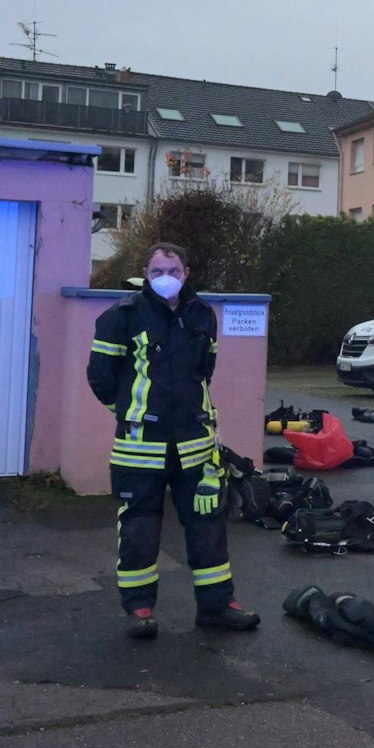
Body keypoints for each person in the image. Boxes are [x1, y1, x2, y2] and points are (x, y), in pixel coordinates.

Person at [88, 242, 259, 637]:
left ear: (186, 272)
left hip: (194, 446)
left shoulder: (202, 315)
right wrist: (131, 411)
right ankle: (140, 611)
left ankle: (217, 607)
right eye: (156, 271)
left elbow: (205, 371)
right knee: (138, 530)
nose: (165, 278)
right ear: (145, 274)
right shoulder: (121, 317)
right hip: (139, 447)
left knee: (208, 527)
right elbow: (101, 376)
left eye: (173, 270)